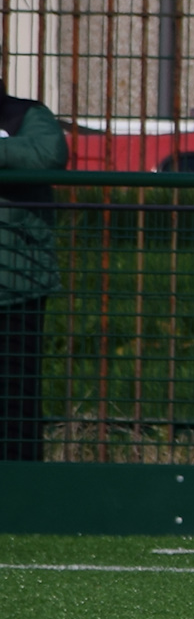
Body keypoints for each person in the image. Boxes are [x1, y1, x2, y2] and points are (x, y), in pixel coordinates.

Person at [0, 82, 65, 460]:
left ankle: (19, 479)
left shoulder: (25, 114)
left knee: (15, 395)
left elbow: (49, 153)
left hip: (14, 285)